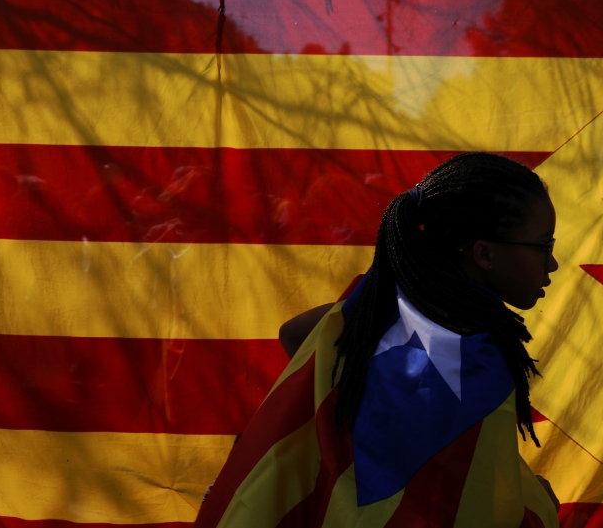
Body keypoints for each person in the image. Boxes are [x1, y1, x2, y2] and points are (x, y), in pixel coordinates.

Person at [197, 152, 561, 528]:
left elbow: (294, 333)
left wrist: (334, 423)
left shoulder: (377, 300)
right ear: (485, 253)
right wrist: (540, 506)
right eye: (544, 245)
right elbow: (479, 510)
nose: (552, 263)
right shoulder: (474, 360)